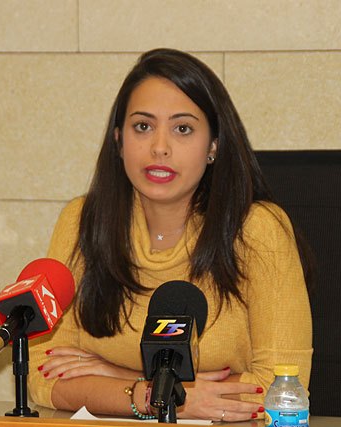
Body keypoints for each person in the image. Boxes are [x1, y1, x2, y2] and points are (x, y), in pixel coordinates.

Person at [27, 48, 312, 422]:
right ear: (118, 140)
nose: (159, 147)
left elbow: (281, 390)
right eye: (142, 127)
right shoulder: (82, 222)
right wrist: (154, 394)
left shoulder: (258, 231)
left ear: (213, 146)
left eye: (183, 129)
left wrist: (121, 377)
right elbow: (43, 376)